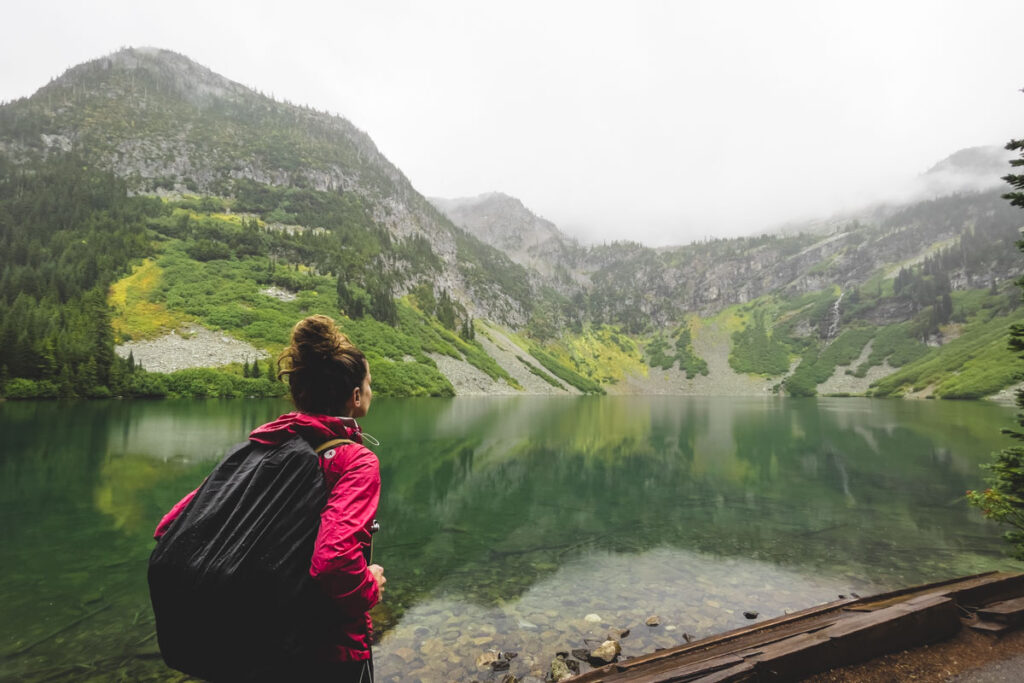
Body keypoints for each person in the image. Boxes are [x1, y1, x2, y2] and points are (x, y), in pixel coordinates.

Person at [153, 315, 386, 682]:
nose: (372, 391)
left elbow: (171, 530)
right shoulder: (353, 460)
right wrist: (369, 585)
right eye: (370, 385)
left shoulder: (257, 448)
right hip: (326, 651)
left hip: (252, 651)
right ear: (356, 397)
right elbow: (334, 562)